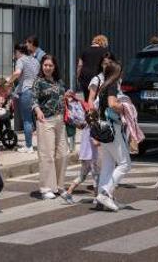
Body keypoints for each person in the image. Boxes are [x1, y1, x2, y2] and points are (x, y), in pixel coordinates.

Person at [31, 55, 71, 199]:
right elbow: (33, 98)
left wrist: (66, 95)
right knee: (47, 154)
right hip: (45, 120)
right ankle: (46, 188)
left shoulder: (59, 81)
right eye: (45, 65)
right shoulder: (38, 82)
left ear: (55, 67)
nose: (47, 68)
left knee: (63, 153)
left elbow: (59, 96)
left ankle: (59, 186)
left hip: (60, 121)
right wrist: (38, 110)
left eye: (50, 65)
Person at [94, 62, 132, 212]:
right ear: (116, 73)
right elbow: (111, 104)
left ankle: (101, 199)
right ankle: (105, 194)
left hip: (103, 128)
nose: (122, 75)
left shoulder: (103, 86)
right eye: (120, 72)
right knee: (124, 164)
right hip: (112, 128)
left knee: (108, 166)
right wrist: (124, 108)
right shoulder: (113, 85)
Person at [6, 43, 40, 153]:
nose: (15, 55)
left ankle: (29, 146)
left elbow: (17, 72)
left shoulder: (21, 60)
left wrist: (8, 81)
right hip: (36, 91)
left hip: (26, 91)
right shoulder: (35, 61)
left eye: (15, 53)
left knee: (27, 120)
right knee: (38, 118)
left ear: (18, 52)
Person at [61, 104, 98, 205]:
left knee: (82, 176)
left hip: (84, 156)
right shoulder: (94, 128)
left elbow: (75, 122)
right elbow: (95, 142)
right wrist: (101, 143)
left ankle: (68, 192)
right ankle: (96, 197)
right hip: (92, 156)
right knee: (96, 177)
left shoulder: (85, 126)